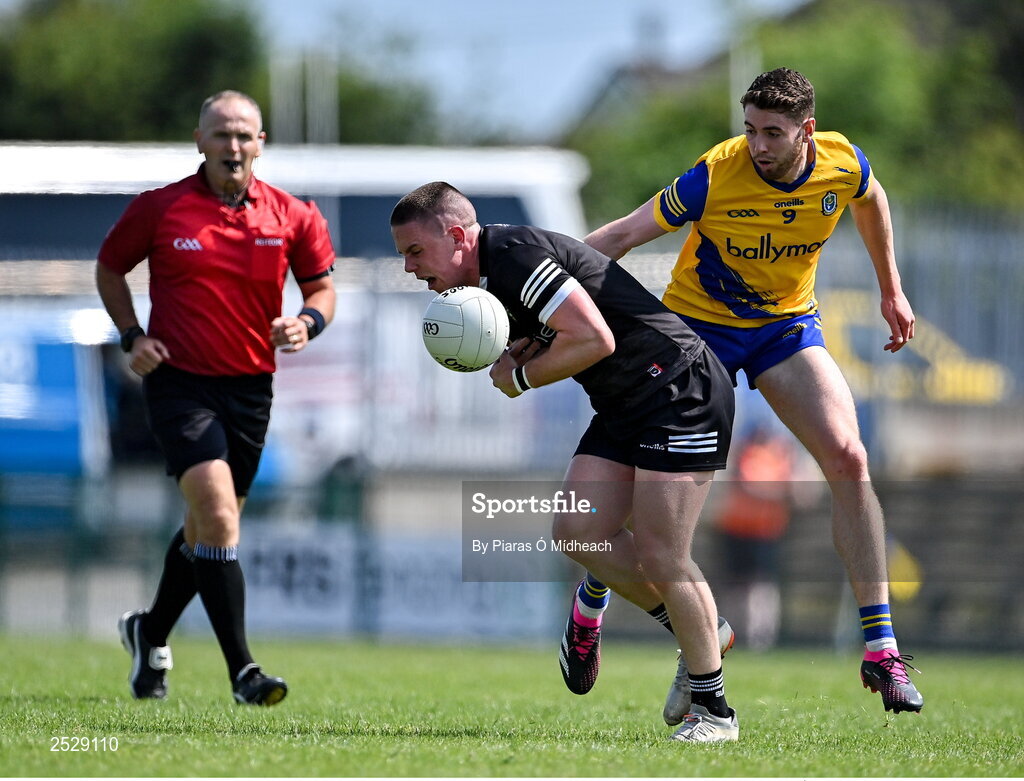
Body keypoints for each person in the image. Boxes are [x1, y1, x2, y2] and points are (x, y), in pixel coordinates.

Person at [580, 67, 923, 714]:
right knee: (656, 500)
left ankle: (882, 647)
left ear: (807, 132)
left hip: (784, 330)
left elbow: (872, 199)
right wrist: (542, 282)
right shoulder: (714, 173)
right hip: (695, 334)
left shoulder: (842, 163)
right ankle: (601, 594)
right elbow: (621, 235)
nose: (758, 145)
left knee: (850, 458)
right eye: (749, 129)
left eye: (772, 132)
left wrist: (891, 287)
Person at [391, 181, 739, 742]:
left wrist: (520, 376)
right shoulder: (488, 282)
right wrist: (520, 349)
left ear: (456, 236)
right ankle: (704, 632)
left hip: (679, 388)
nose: (410, 269)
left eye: (415, 252)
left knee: (662, 551)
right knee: (579, 532)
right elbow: (568, 330)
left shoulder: (514, 258)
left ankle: (715, 712)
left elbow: (595, 338)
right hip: (626, 401)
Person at [96, 90, 337, 706]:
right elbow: (109, 266)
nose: (233, 145)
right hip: (179, 384)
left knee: (206, 525)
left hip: (251, 390)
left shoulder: (293, 215)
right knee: (220, 517)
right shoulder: (161, 209)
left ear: (261, 143)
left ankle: (150, 631)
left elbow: (322, 288)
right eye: (221, 134)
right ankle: (244, 673)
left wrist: (307, 322)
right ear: (199, 141)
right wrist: (132, 336)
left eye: (244, 135)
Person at [713, 424, 796, 651]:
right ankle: (730, 634)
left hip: (766, 531)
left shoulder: (781, 455)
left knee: (761, 586)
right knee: (734, 585)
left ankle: (759, 637)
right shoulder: (746, 452)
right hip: (735, 528)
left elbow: (798, 490)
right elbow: (747, 484)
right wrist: (776, 492)